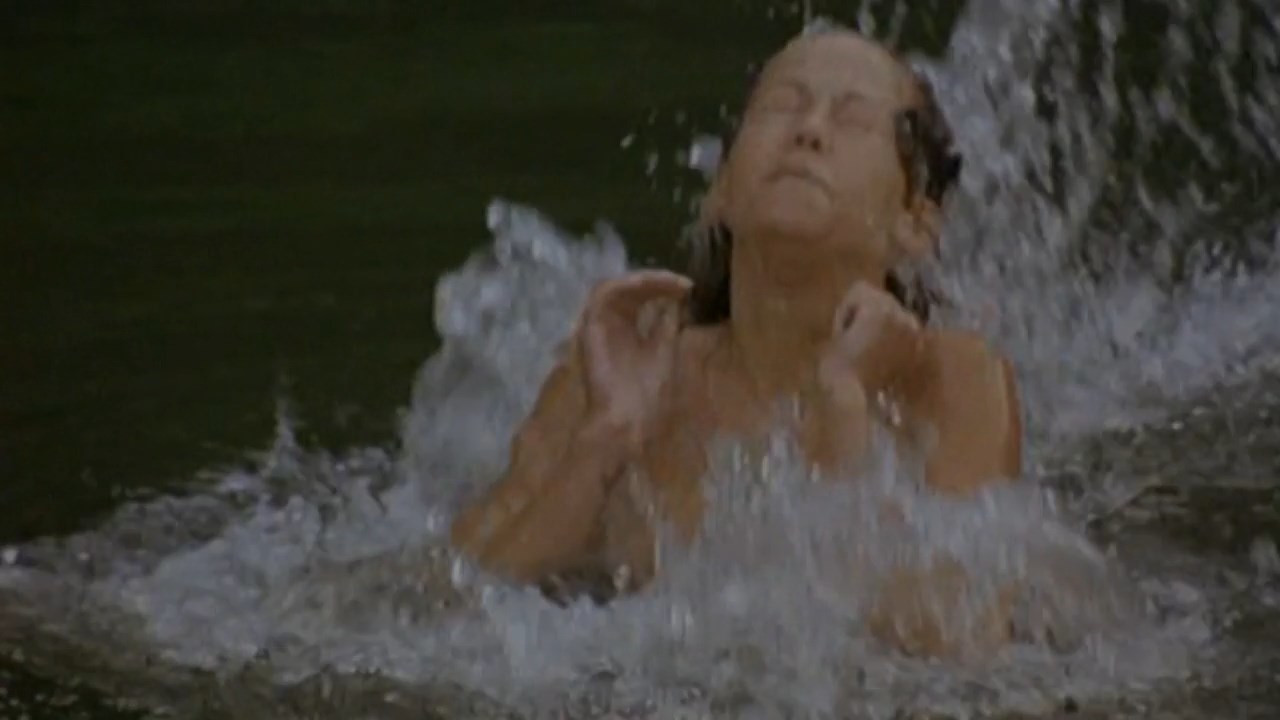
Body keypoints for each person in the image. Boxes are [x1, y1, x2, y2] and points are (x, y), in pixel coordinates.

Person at [450, 27, 1023, 658]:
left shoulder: (958, 383)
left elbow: (955, 648)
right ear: (721, 189)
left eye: (852, 119)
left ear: (915, 221)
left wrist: (845, 403)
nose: (809, 131)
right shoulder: (624, 370)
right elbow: (448, 607)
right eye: (782, 107)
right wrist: (605, 440)